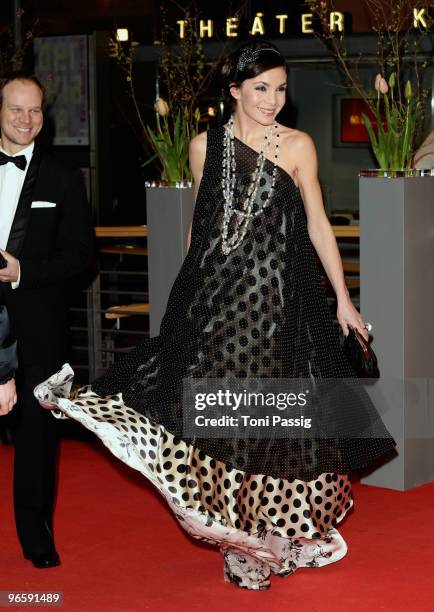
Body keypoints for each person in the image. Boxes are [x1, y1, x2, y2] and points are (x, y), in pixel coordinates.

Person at [35, 42, 396, 589]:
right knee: (219, 418)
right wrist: (185, 298)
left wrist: (344, 299)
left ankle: (278, 532)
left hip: (278, 308)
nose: (272, 100)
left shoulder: (298, 146)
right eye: (260, 89)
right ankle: (239, 533)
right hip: (219, 306)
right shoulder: (205, 147)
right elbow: (202, 230)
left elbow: (319, 225)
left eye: (279, 89)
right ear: (234, 91)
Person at [0, 73, 96, 568]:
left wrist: (24, 271)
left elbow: (83, 257)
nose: (26, 119)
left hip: (38, 325)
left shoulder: (61, 177)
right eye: (16, 109)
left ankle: (36, 538)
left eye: (35, 110)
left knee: (37, 439)